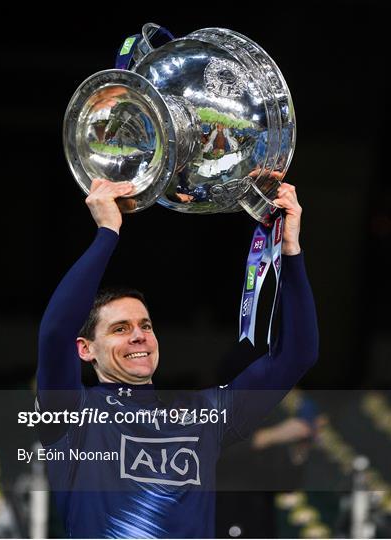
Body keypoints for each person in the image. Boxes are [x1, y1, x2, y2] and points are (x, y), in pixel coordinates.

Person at [36, 178, 318, 538]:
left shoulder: (203, 416)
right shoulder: (71, 417)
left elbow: (298, 354)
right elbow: (55, 333)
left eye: (145, 325)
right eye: (120, 329)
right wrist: (107, 232)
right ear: (85, 349)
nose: (139, 335)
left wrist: (290, 248)